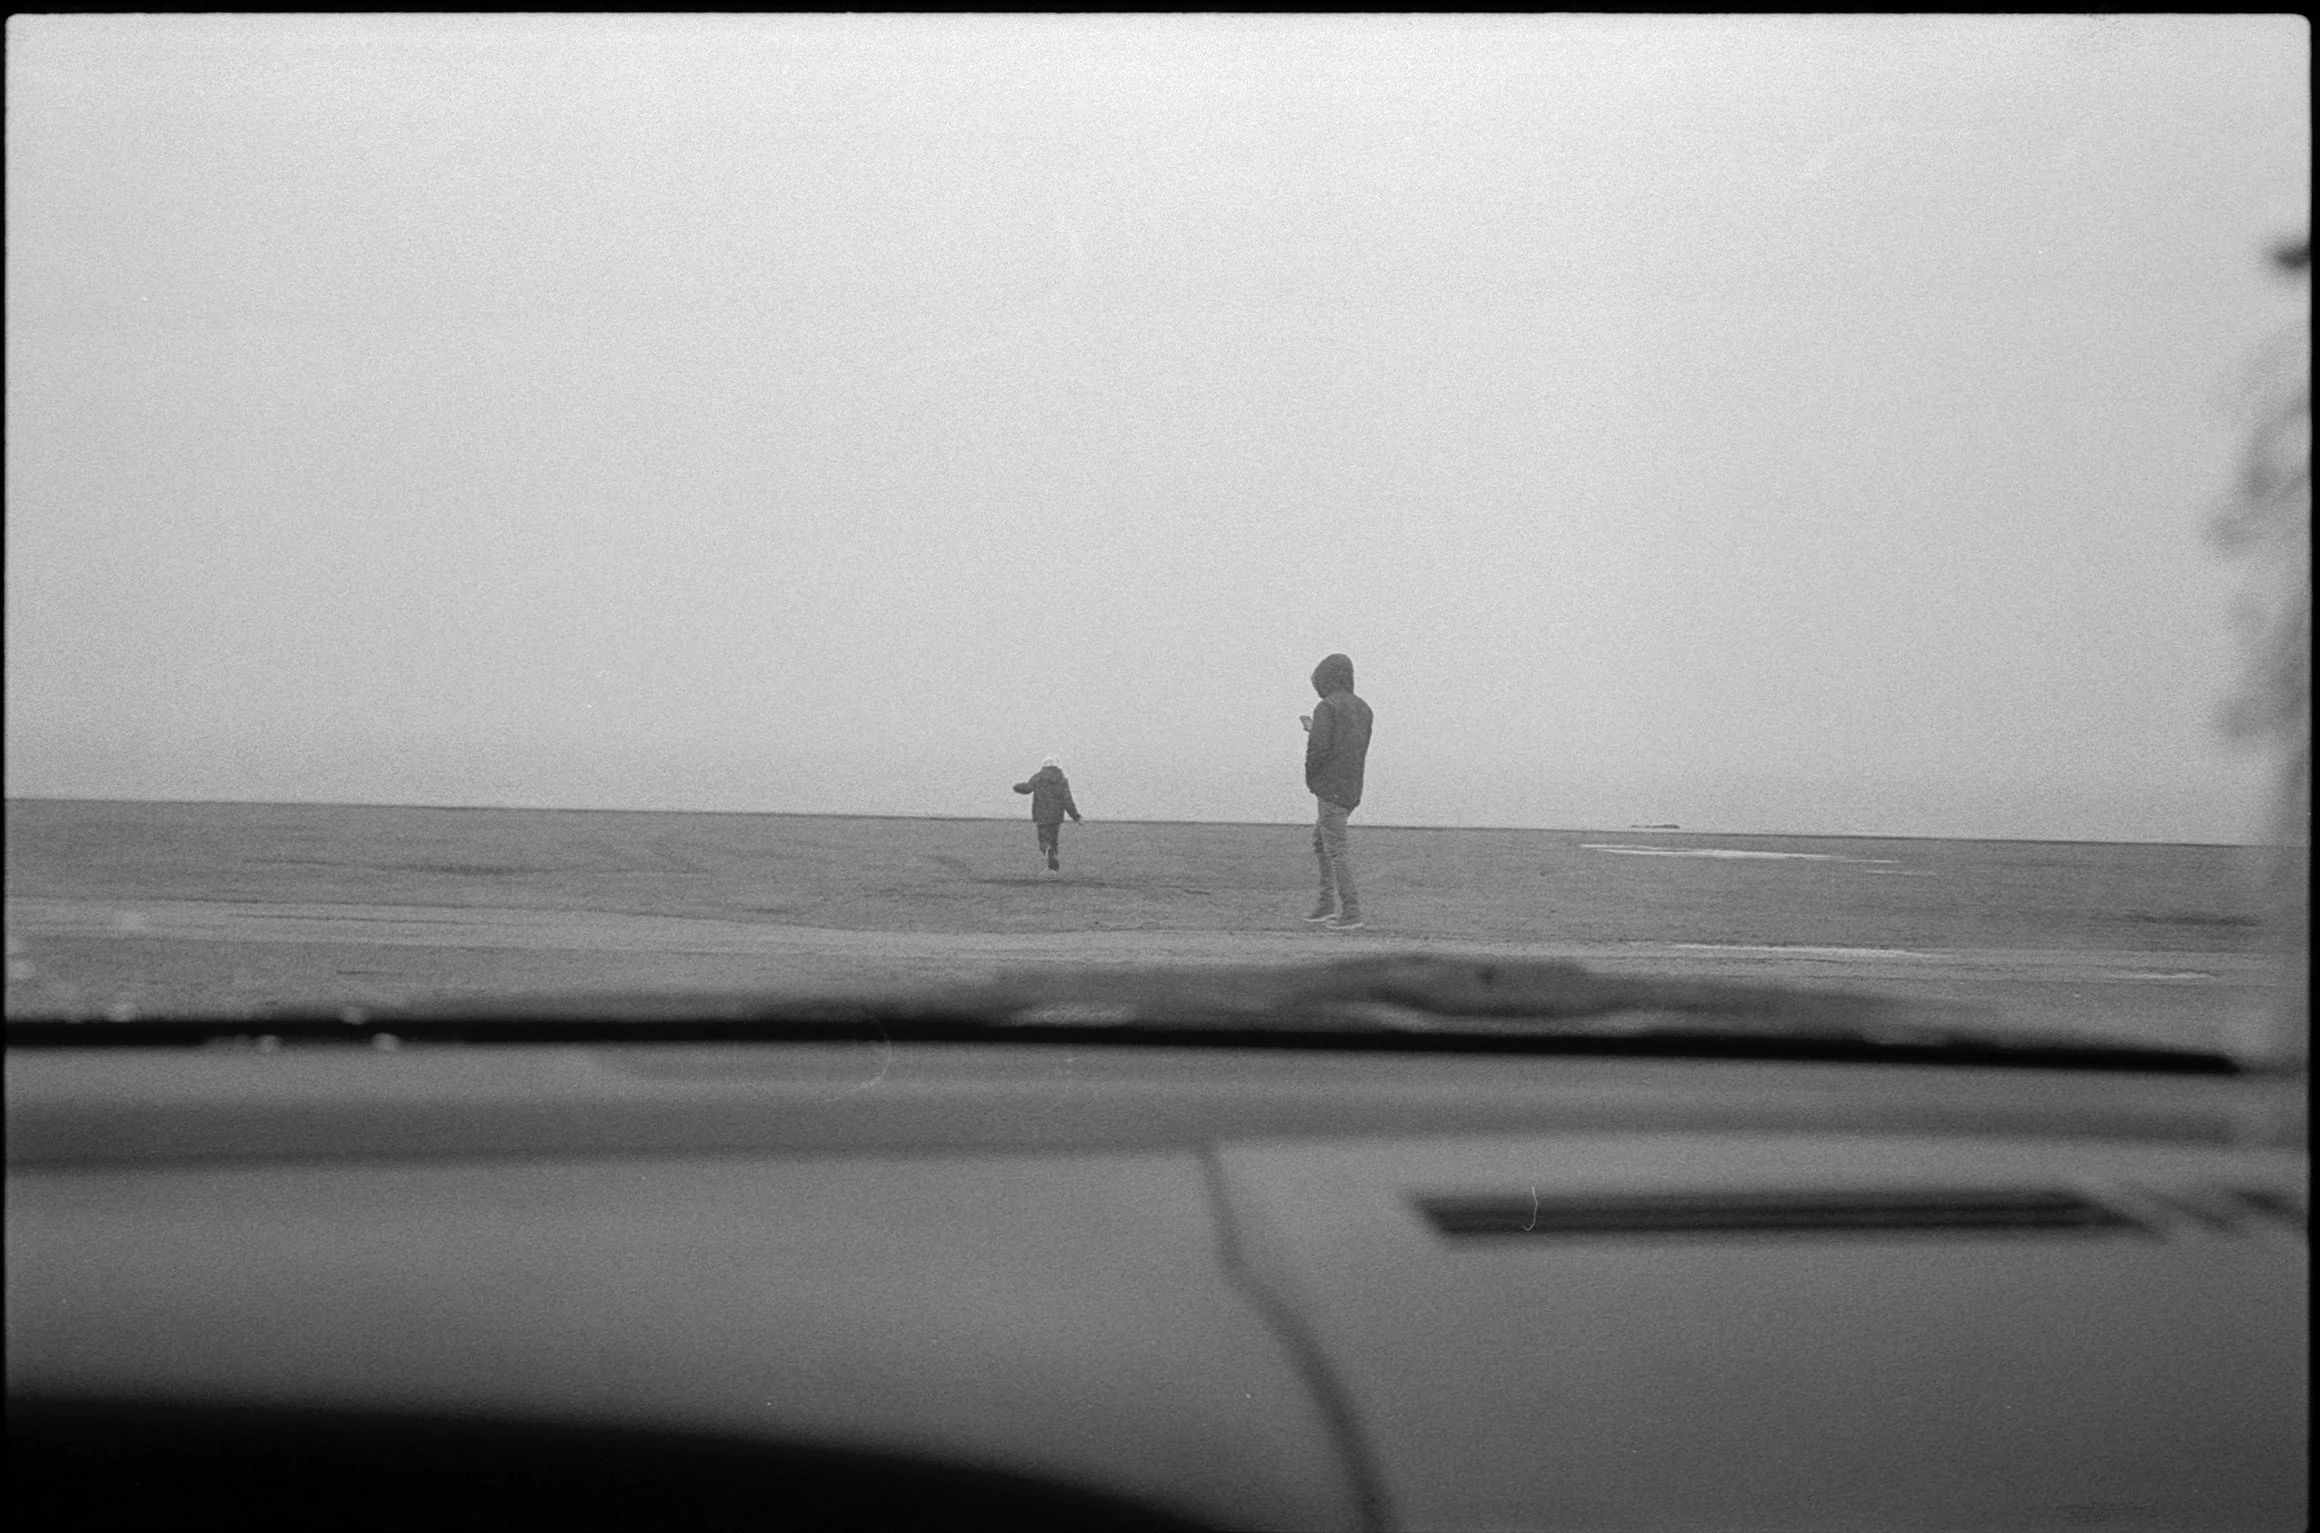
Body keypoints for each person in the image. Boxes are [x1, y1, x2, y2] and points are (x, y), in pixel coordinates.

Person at [1300, 653, 1373, 929]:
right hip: (1351, 787)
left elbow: (1318, 750)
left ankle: (1350, 910)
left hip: (1330, 788)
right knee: (1322, 842)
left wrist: (1311, 779)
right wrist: (1314, 729)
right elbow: (1349, 743)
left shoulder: (1326, 708)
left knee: (1335, 850)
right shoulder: (1363, 708)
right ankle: (1326, 904)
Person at [1012, 756, 1083, 873]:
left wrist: (1016, 787)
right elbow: (1067, 800)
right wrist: (1077, 817)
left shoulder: (1038, 777)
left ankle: (1048, 855)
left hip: (1041, 815)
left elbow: (1027, 788)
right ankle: (1052, 868)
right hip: (1056, 817)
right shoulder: (1062, 780)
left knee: (1044, 841)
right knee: (1054, 841)